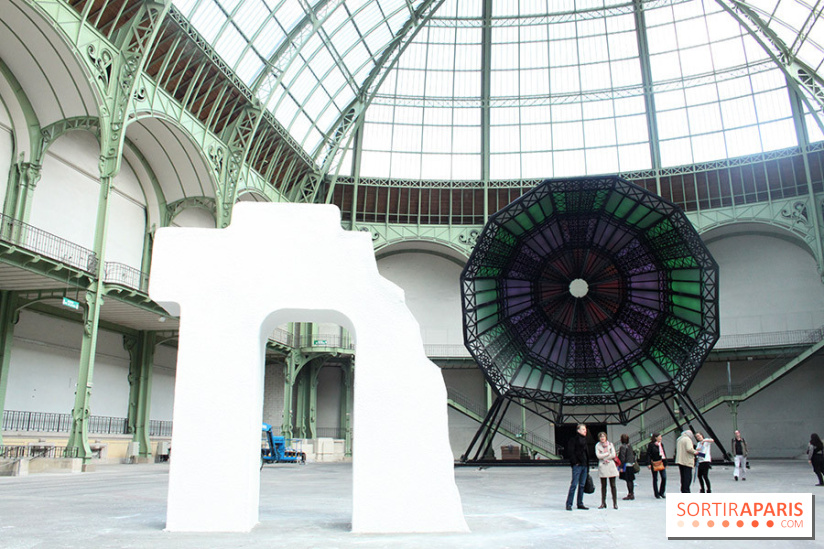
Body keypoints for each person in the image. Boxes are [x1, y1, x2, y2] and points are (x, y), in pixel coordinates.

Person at [565, 424, 590, 511]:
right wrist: (575, 462)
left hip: (584, 465)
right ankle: (569, 504)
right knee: (574, 485)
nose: (585, 431)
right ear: (578, 430)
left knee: (582, 485)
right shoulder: (574, 440)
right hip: (578, 465)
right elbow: (570, 452)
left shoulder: (585, 441)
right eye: (583, 429)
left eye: (585, 429)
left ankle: (580, 503)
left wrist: (587, 465)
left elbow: (586, 454)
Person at [595, 432, 619, 509]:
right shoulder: (597, 445)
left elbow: (613, 455)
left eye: (603, 436)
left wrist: (604, 456)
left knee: (613, 485)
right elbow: (598, 456)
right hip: (603, 466)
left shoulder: (610, 444)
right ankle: (603, 502)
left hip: (611, 466)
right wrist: (607, 454)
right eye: (601, 437)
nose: (602, 438)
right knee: (603, 486)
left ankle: (615, 503)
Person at [647, 432, 667, 499]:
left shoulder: (661, 444)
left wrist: (666, 463)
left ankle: (662, 492)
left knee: (664, 477)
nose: (661, 438)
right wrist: (649, 463)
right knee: (655, 478)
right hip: (655, 462)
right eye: (660, 436)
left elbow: (663, 453)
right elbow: (649, 454)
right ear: (656, 438)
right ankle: (656, 493)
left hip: (661, 462)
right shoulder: (651, 445)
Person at [617, 433, 636, 500]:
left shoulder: (622, 447)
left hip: (626, 465)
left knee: (628, 480)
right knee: (631, 480)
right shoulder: (630, 446)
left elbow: (622, 457)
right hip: (630, 464)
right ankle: (632, 493)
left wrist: (621, 467)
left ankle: (630, 494)